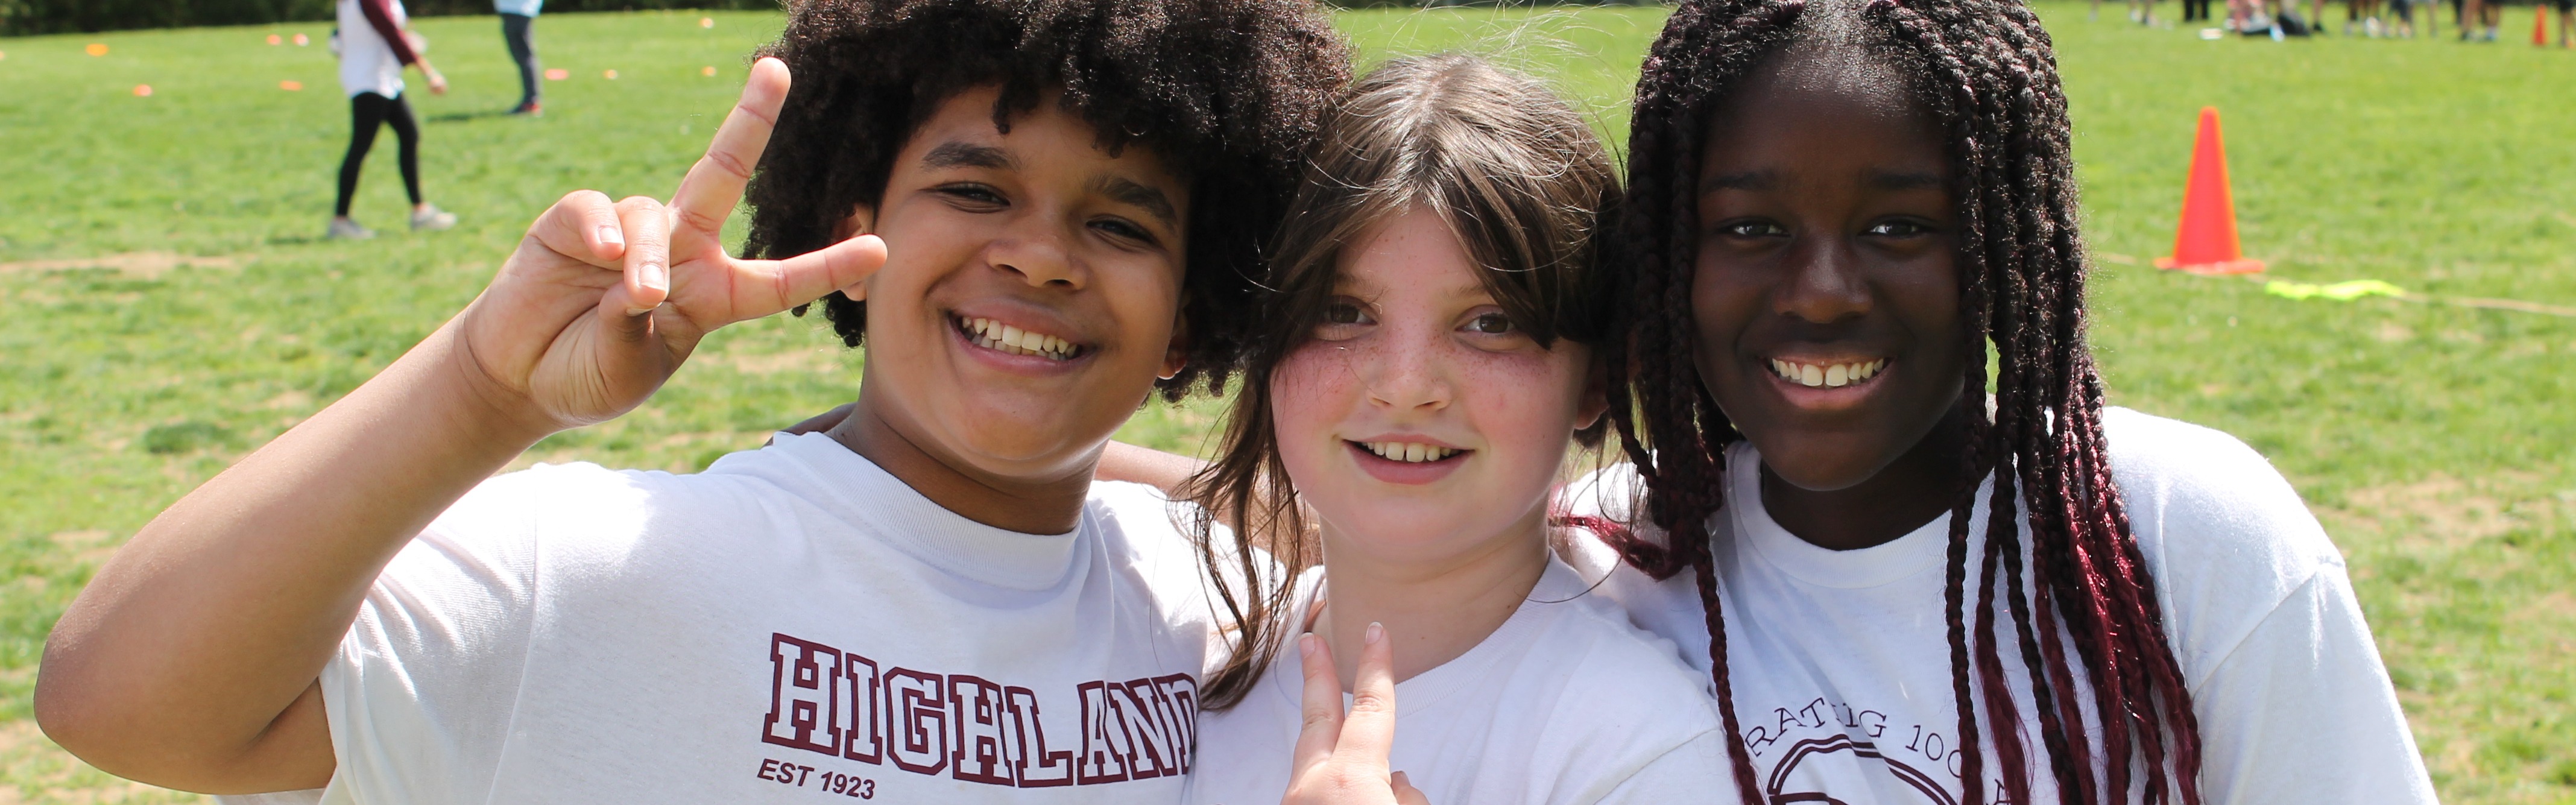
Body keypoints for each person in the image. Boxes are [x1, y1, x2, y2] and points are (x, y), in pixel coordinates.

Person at [33, 0, 1348, 801]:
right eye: (974, 189)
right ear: (853, 223)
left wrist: (1139, 480)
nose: (1043, 256)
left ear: (1192, 315)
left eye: (1121, 222)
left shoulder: (1218, 605)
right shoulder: (612, 568)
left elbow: (1422, 546)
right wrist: (480, 389)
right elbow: (118, 705)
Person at [1565, 0, 2442, 803]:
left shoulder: (2182, 532)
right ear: (1668, 257)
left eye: (1899, 226)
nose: (1823, 293)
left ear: (2008, 250)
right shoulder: (1595, 561)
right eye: (1750, 227)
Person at [1175, 55, 1730, 805]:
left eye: (1490, 322)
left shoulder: (1638, 751)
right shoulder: (1179, 677)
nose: (1407, 384)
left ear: (1597, 379)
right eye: (1343, 313)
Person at [327, 0, 453, 240]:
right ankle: (340, 221)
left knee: (409, 135)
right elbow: (391, 33)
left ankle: (420, 211)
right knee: (360, 146)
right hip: (371, 80)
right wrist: (428, 73)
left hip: (381, 78)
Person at [496, 0, 541, 115]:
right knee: (523, 57)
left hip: (518, 11)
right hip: (516, 11)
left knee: (524, 57)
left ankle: (531, 102)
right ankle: (531, 100)